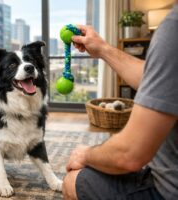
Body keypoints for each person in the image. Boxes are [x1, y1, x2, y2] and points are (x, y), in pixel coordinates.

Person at [62, 2, 178, 200]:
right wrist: (102, 48)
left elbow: (129, 154)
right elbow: (157, 79)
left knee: (72, 182)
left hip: (168, 190)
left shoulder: (174, 28)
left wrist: (86, 154)